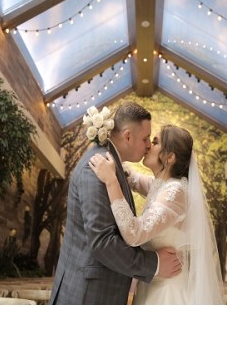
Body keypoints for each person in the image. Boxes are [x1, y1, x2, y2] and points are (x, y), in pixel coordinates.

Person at [49, 102, 183, 305]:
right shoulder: (96, 168)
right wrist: (154, 264)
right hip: (87, 296)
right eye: (146, 138)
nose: (148, 145)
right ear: (128, 136)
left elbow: (138, 183)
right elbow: (103, 243)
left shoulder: (112, 167)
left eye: (152, 141)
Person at [89, 124, 224, 304]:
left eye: (154, 142)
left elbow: (134, 233)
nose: (148, 146)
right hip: (152, 284)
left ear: (169, 157)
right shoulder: (160, 185)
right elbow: (134, 179)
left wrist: (111, 181)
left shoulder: (175, 192)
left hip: (169, 292)